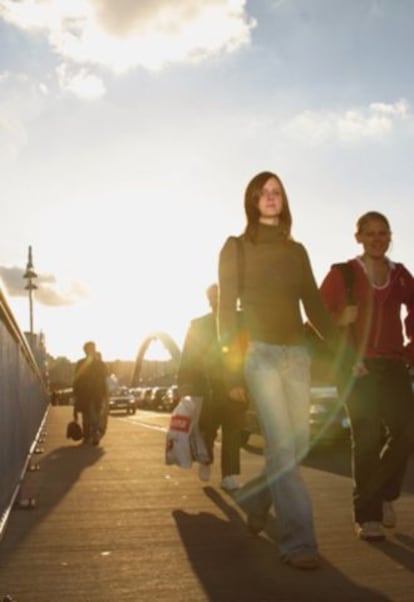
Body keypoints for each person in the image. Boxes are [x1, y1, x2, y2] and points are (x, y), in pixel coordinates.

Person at [217, 170, 342, 571]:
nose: (271, 197)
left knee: (296, 446)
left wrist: (344, 354)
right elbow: (226, 312)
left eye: (277, 192)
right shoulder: (235, 248)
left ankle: (256, 498)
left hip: (296, 357)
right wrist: (232, 371)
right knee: (284, 448)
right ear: (252, 201)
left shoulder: (297, 251)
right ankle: (299, 542)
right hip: (260, 356)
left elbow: (315, 305)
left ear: (284, 201)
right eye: (263, 193)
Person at [320, 211, 414, 542]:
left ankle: (386, 493)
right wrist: (340, 322)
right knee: (368, 436)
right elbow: (318, 320)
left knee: (407, 431)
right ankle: (367, 515)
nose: (377, 238)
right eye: (370, 233)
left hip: (392, 366)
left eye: (383, 233)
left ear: (390, 237)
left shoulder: (401, 275)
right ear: (358, 237)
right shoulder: (342, 275)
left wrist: (410, 350)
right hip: (355, 369)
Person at [177, 284, 244, 492]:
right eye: (214, 297)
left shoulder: (243, 321)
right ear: (209, 300)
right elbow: (188, 356)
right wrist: (184, 385)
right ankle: (206, 459)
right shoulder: (198, 325)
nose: (218, 300)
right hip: (206, 387)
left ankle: (229, 475)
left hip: (236, 385)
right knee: (207, 429)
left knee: (233, 431)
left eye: (222, 296)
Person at [73, 341, 108, 445]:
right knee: (93, 415)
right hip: (94, 394)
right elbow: (104, 379)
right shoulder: (100, 364)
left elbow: (76, 380)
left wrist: (75, 394)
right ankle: (92, 435)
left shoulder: (81, 363)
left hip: (88, 394)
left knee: (89, 416)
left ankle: (90, 436)